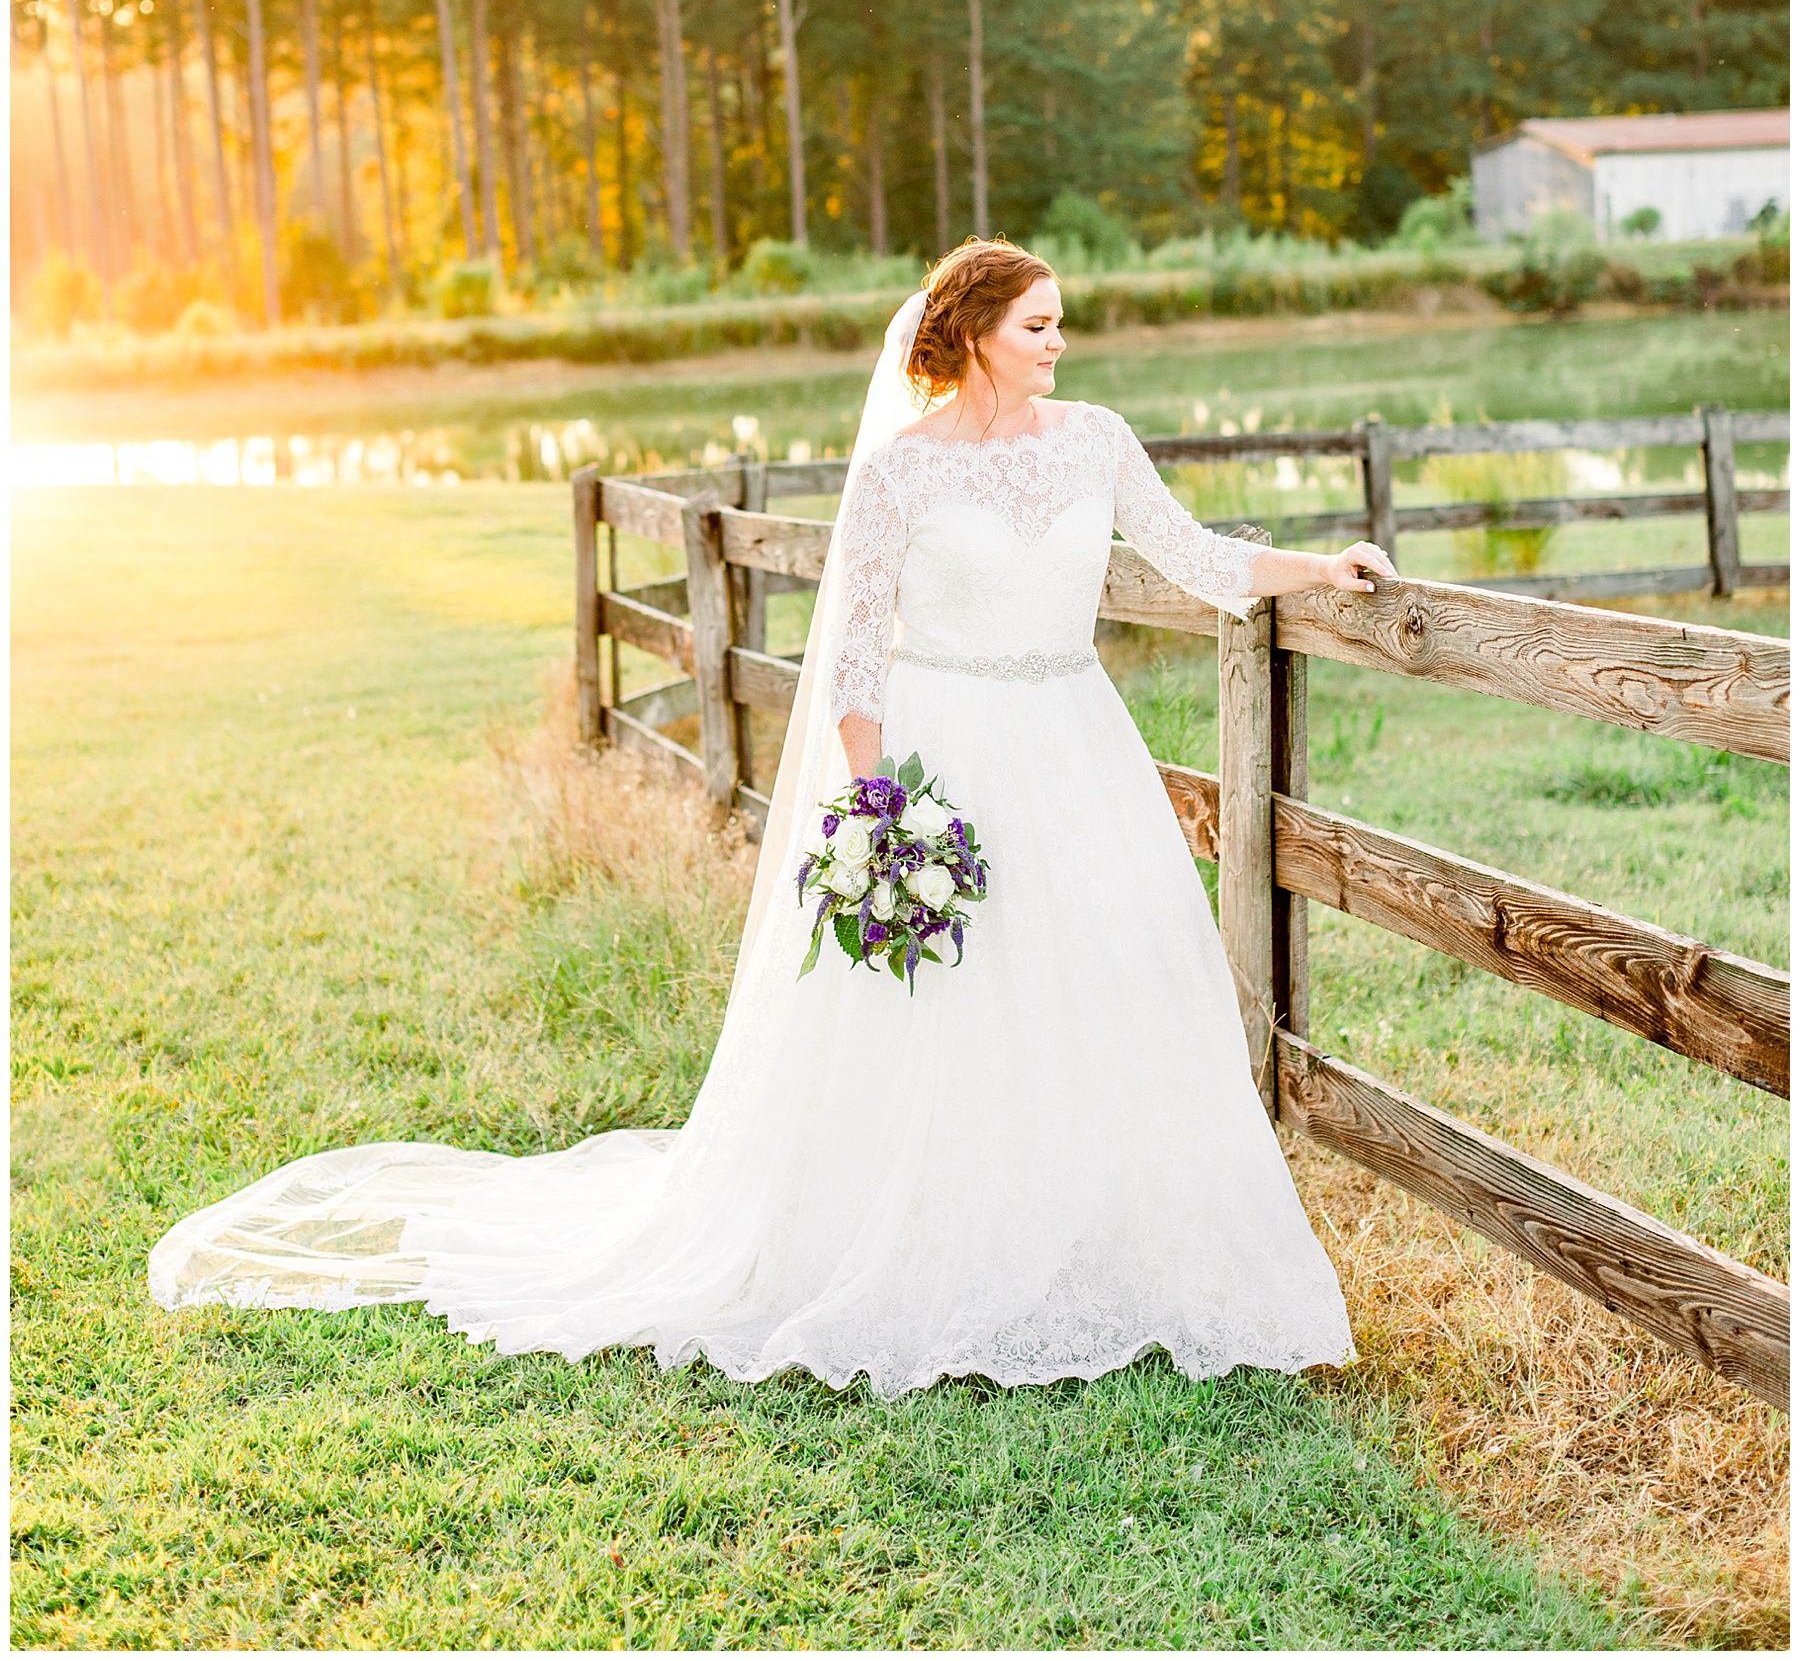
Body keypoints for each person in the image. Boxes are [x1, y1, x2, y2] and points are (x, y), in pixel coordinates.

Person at [149, 240, 1395, 1395]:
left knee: (1104, 976)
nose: (1060, 342)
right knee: (943, 1004)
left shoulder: (1097, 439)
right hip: (941, 751)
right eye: (1039, 324)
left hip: (1074, 741)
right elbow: (854, 651)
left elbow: (1194, 554)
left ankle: (1098, 1229)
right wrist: (874, 804)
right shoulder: (900, 470)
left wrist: (1323, 566)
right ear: (971, 331)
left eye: (1061, 324)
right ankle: (937, 1235)